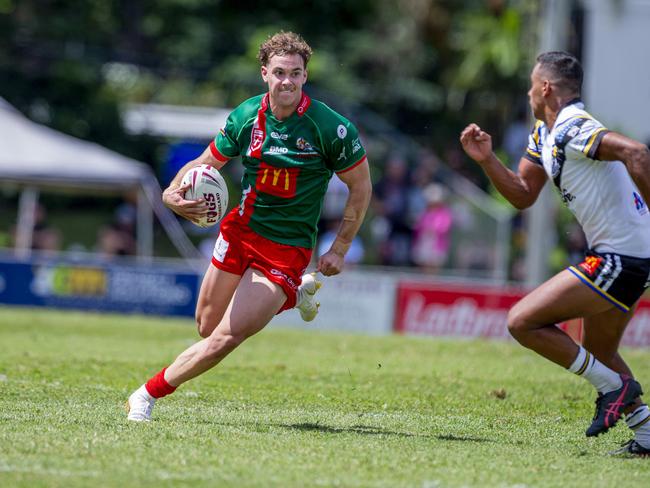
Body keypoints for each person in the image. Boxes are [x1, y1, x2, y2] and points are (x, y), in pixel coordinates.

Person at [126, 31, 372, 421]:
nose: (287, 81)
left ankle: (145, 395)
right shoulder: (245, 116)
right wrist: (171, 192)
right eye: (279, 72)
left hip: (285, 248)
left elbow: (361, 187)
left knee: (227, 336)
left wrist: (339, 248)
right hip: (239, 232)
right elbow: (207, 162)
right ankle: (293, 295)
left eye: (295, 73)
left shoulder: (330, 128)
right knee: (207, 326)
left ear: (305, 76)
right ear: (265, 74)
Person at [460, 51, 650, 456]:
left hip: (622, 257)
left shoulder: (574, 128)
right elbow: (523, 195)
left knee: (522, 322)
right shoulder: (545, 133)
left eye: (532, 84)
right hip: (627, 255)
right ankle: (648, 436)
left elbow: (637, 153)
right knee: (600, 353)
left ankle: (614, 388)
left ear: (545, 88)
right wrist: (487, 160)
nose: (529, 92)